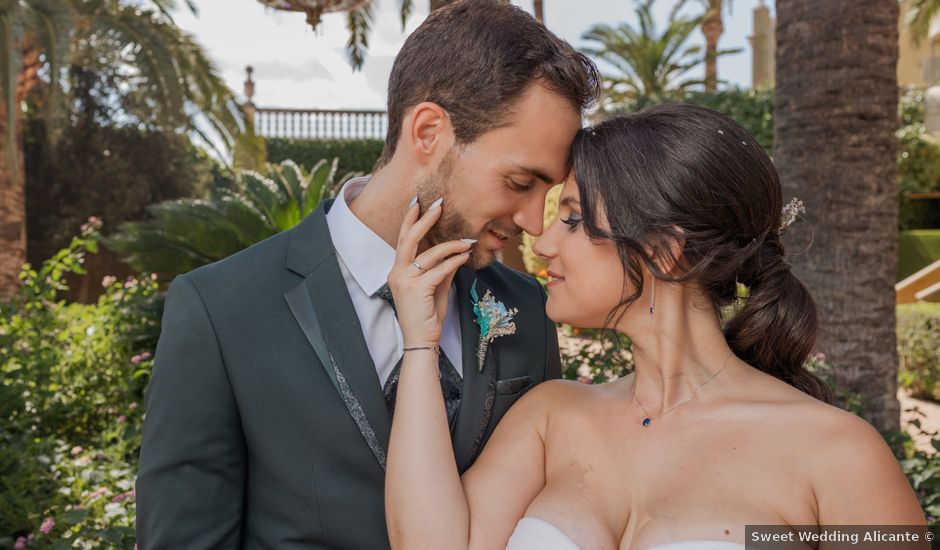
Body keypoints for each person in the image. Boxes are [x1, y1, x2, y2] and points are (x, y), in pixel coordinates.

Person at [134, 2, 600, 548]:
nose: (529, 220)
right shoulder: (220, 309)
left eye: (548, 193)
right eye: (520, 181)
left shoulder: (525, 310)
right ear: (428, 131)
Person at [384, 104, 926, 549]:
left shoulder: (838, 455)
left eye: (572, 218)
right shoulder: (551, 420)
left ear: (665, 251)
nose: (544, 243)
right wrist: (419, 343)